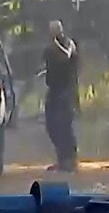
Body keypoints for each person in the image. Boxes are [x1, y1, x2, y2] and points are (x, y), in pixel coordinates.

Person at [40, 20, 80, 172]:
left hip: (66, 90)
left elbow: (66, 55)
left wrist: (56, 43)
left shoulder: (68, 43)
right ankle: (62, 159)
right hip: (54, 89)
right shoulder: (49, 48)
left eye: (55, 30)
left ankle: (70, 160)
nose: (52, 33)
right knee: (52, 125)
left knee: (65, 125)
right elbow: (44, 64)